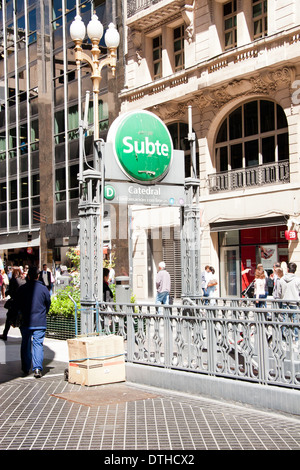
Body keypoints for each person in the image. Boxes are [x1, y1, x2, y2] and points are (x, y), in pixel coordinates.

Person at [16, 265, 51, 378]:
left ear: (29, 276)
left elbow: (17, 305)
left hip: (26, 321)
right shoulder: (44, 289)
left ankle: (26, 368)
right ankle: (37, 369)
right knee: (38, 344)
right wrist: (44, 312)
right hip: (40, 321)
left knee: (25, 344)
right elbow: (48, 303)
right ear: (38, 276)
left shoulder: (22, 289)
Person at [0, 267, 25, 341]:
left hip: (14, 303)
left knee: (9, 318)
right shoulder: (23, 280)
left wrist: (6, 294)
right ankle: (24, 336)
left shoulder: (13, 280)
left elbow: (11, 291)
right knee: (20, 319)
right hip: (22, 303)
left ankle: (5, 334)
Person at [279, 262, 300, 341]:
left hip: (285, 302)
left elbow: (279, 292)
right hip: (295, 302)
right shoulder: (297, 280)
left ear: (287, 269)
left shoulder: (282, 279)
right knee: (295, 320)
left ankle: (285, 337)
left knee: (285, 320)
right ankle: (296, 337)